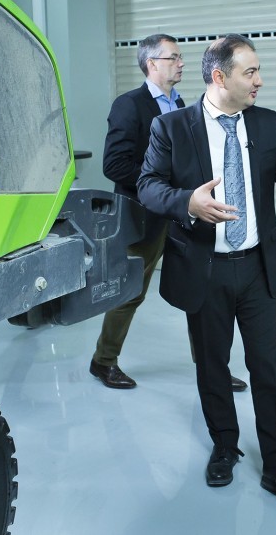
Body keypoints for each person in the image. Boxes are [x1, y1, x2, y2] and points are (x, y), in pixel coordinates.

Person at [137, 34, 276, 508]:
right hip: (205, 271)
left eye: (259, 71)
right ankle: (225, 446)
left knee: (267, 368)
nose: (260, 81)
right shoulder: (172, 127)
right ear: (220, 77)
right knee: (212, 366)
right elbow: (147, 187)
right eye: (250, 72)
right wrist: (188, 202)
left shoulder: (266, 122)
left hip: (258, 268)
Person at [89, 33, 247, 392]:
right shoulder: (129, 105)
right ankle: (104, 361)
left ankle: (210, 367)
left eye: (180, 57)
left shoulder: (182, 105)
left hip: (184, 214)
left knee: (198, 290)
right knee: (130, 291)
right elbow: (114, 164)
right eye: (173, 57)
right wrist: (160, 185)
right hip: (143, 217)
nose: (181, 63)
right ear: (152, 64)